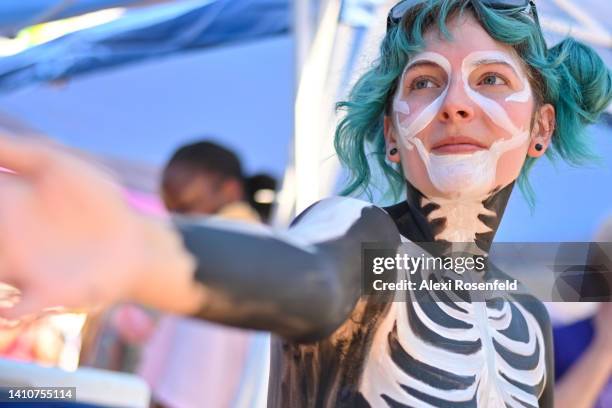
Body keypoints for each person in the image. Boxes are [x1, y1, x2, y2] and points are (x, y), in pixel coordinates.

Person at [0, 1, 610, 407]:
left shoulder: (525, 310)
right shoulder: (366, 242)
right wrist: (139, 247)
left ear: (542, 128)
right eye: (424, 81)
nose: (454, 103)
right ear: (392, 137)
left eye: (492, 80)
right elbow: (314, 276)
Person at [140, 140, 265, 408]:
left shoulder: (224, 248)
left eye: (186, 205)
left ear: (230, 191)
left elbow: (191, 385)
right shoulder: (251, 245)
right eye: (170, 209)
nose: (177, 219)